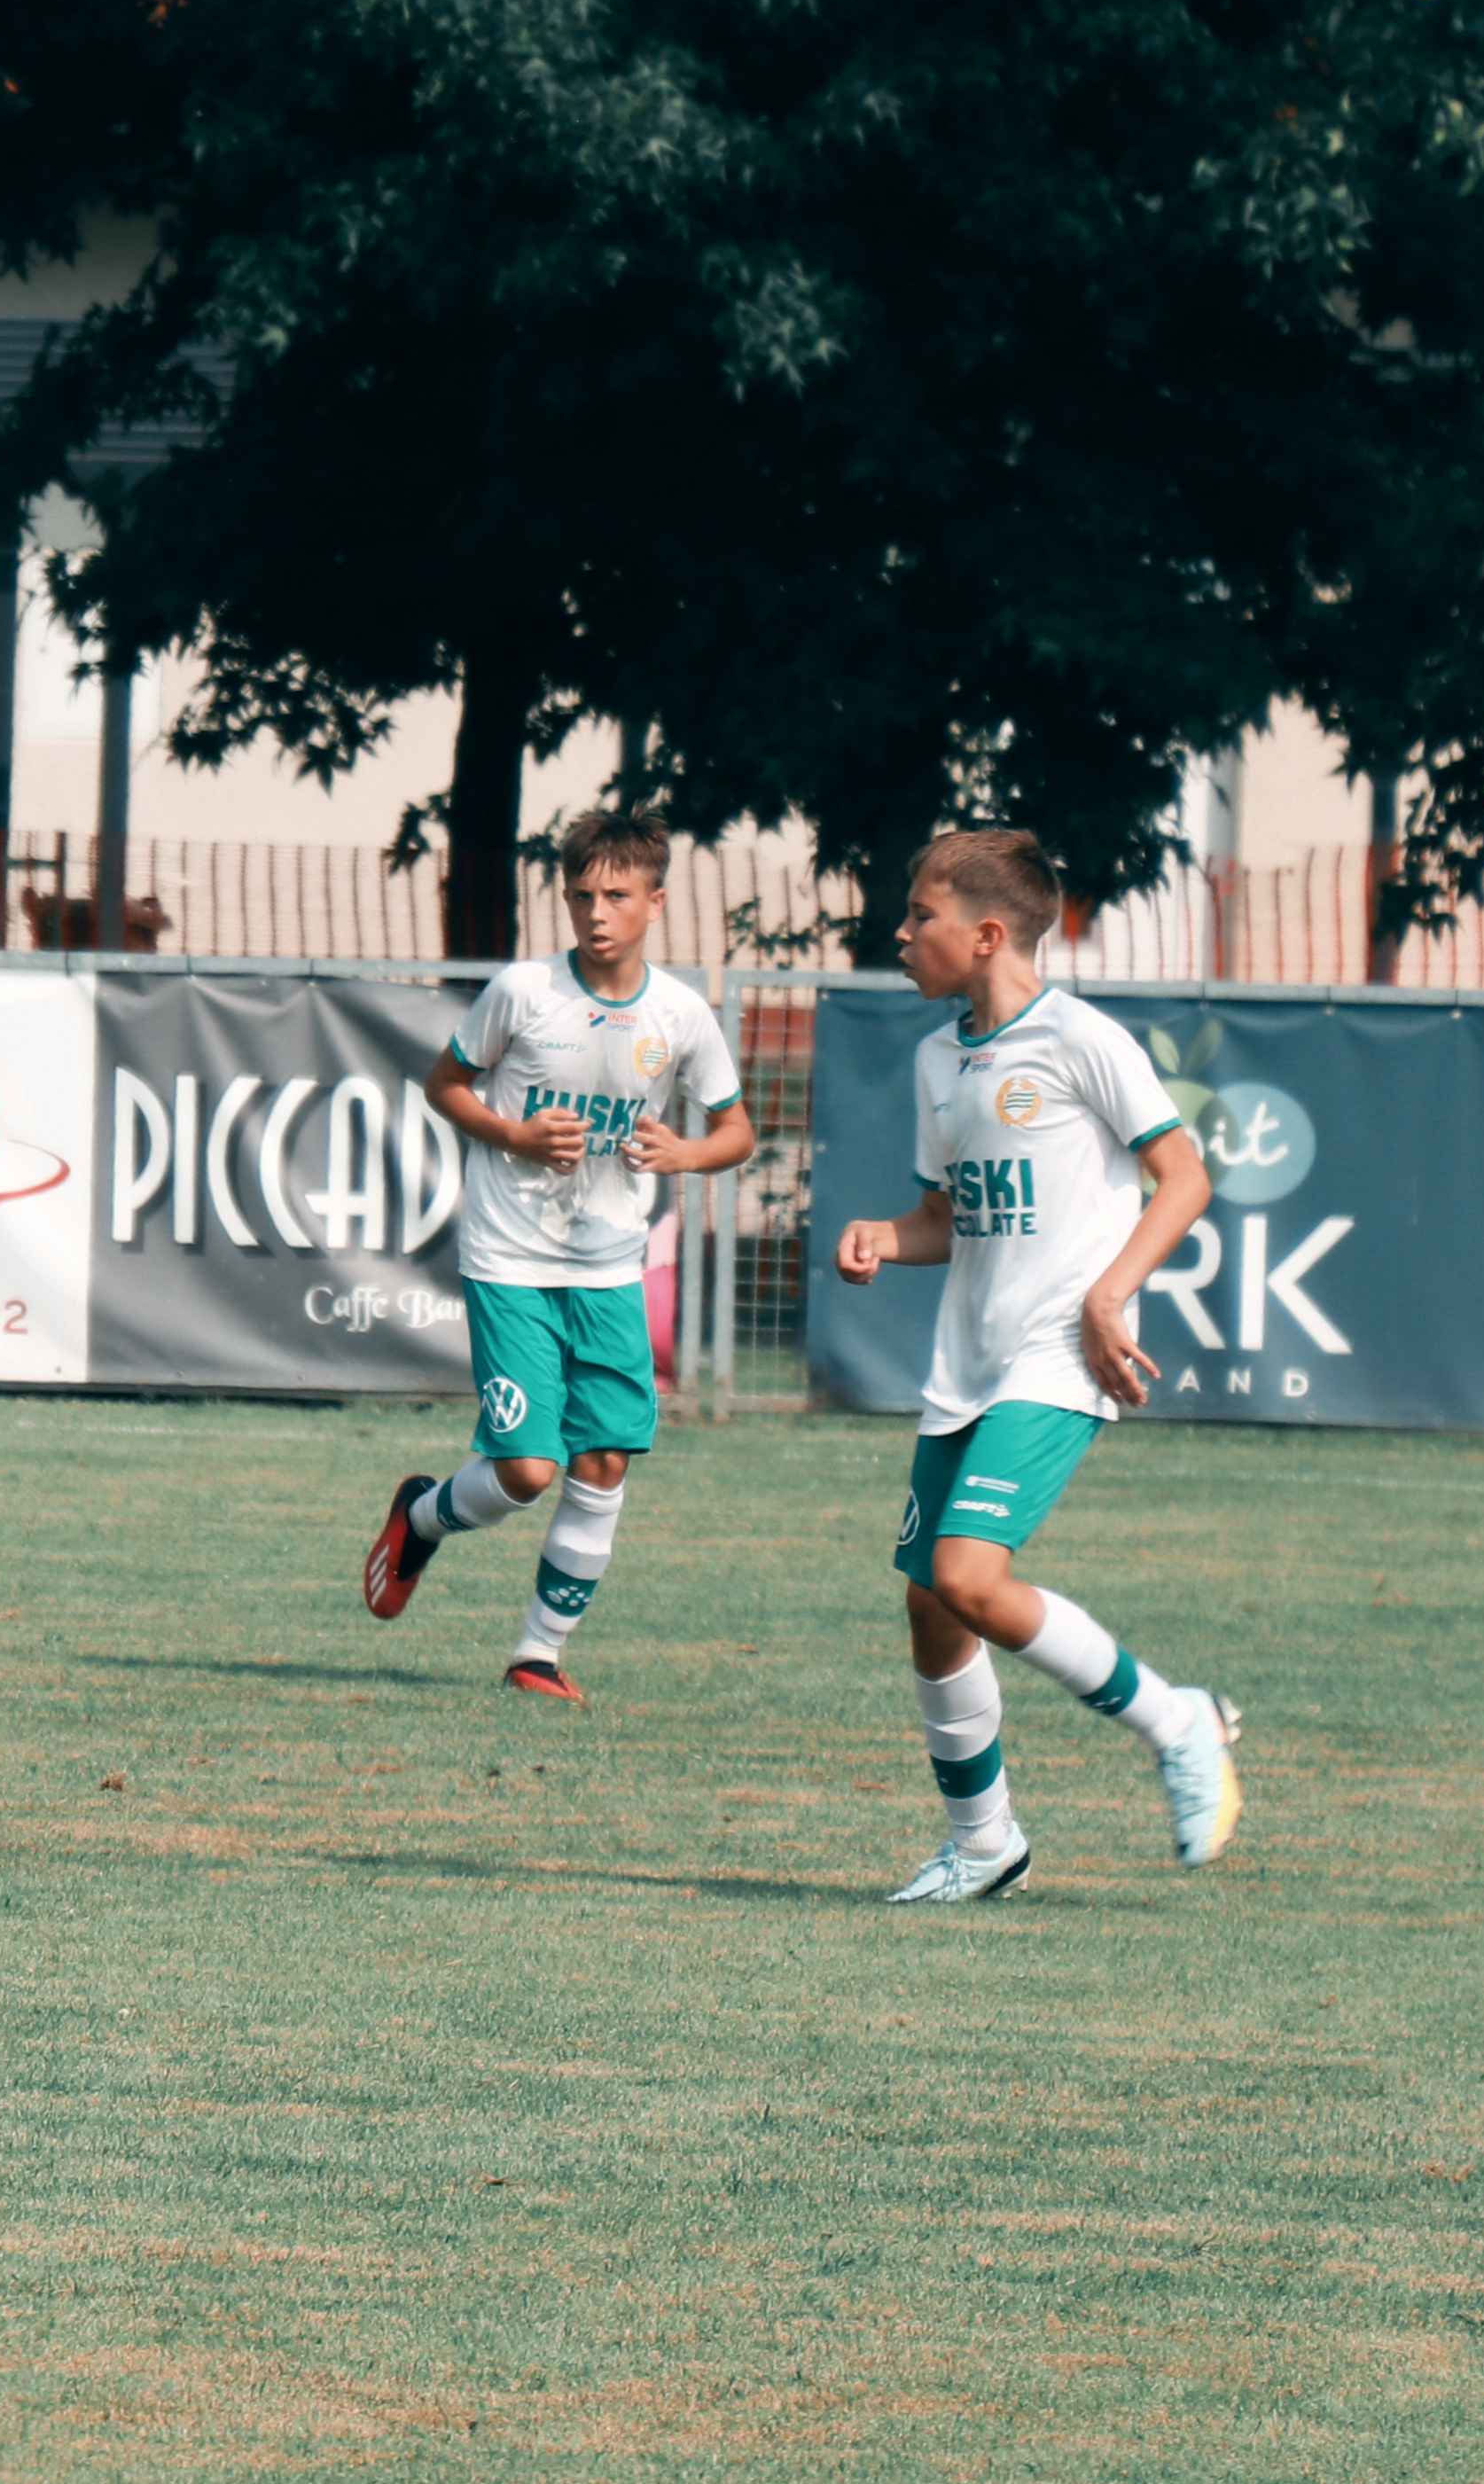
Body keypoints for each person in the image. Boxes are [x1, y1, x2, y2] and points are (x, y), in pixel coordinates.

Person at [828, 828, 1246, 1902]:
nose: (903, 931)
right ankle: (985, 1843)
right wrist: (886, 1233)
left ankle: (1177, 1720)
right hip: (963, 1362)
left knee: (969, 1577)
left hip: (1059, 1354)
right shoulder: (937, 1059)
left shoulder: (1080, 1038)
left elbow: (1185, 1177)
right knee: (930, 1606)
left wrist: (1109, 1296)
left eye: (920, 914)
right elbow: (944, 1216)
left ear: (988, 933)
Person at [360, 808, 757, 1701]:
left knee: (605, 1460)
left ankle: (537, 1655)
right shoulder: (524, 992)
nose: (596, 912)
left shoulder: (680, 1014)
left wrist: (684, 1153)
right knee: (529, 1471)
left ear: (655, 902)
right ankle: (422, 1516)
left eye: (617, 895)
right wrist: (514, 1134)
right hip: (510, 1258)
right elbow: (444, 1085)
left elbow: (736, 1132)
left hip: (610, 1264)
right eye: (582, 895)